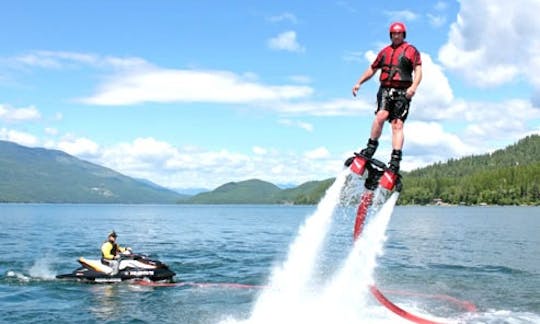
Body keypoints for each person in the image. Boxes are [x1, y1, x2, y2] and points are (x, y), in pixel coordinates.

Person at [350, 22, 422, 174]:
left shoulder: (411, 51)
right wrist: (359, 83)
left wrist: (413, 87)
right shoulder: (384, 52)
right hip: (385, 89)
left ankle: (395, 160)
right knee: (381, 115)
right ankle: (370, 148)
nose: (396, 36)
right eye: (394, 34)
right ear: (390, 35)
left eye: (399, 33)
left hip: (403, 91)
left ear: (403, 35)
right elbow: (372, 69)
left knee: (397, 124)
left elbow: (418, 70)